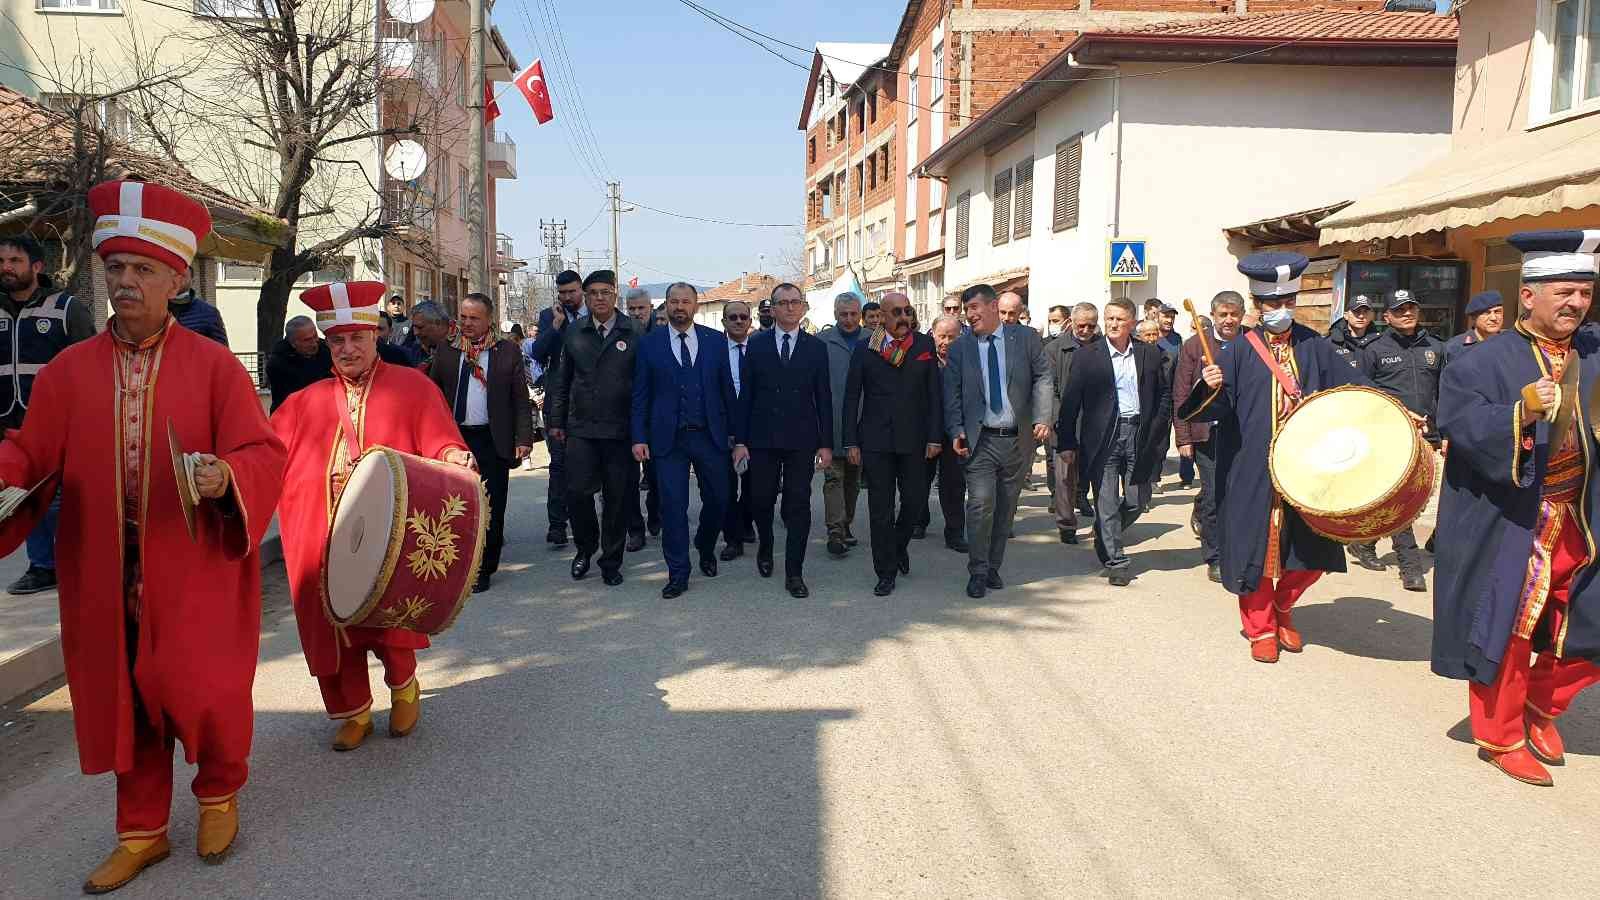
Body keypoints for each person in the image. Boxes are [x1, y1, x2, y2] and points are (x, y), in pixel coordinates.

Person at [0, 181, 285, 891]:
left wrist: (227, 476)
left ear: (176, 279)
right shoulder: (69, 371)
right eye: (116, 269)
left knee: (206, 690)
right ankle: (142, 831)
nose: (126, 282)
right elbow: (29, 457)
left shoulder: (216, 367)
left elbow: (262, 454)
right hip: (101, 567)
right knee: (124, 699)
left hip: (194, 566)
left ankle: (218, 794)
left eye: (142, 271)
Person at [273, 280, 473, 756]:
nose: (346, 349)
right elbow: (262, 454)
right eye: (336, 341)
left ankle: (403, 686)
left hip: (388, 533)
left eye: (356, 339)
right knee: (332, 627)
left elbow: (441, 439)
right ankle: (352, 711)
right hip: (322, 533)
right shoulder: (304, 402)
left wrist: (453, 456)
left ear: (373, 336)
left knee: (389, 621)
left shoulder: (412, 387)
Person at [1434, 229, 1600, 788]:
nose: (1577, 303)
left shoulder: (1594, 351)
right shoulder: (1482, 361)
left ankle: (1542, 705)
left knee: (1590, 623)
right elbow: (1457, 423)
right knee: (1507, 628)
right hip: (1512, 517)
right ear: (1528, 296)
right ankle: (1502, 733)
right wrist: (1519, 412)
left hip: (1582, 515)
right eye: (1564, 292)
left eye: (1584, 292)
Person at [1178, 252, 1364, 664]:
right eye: (1273, 305)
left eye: (1288, 303)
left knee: (1312, 549)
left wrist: (1395, 410)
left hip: (1308, 466)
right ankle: (1261, 627)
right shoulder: (1239, 351)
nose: (1281, 311)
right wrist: (1209, 387)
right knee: (1256, 551)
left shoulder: (1315, 346)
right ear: (1257, 306)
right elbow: (1212, 407)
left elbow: (1353, 388)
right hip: (1252, 467)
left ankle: (1284, 606)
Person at [942, 284, 1052, 599]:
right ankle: (977, 571)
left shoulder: (1026, 339)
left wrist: (1043, 417)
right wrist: (956, 430)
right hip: (980, 441)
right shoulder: (961, 348)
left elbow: (1044, 376)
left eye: (975, 307)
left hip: (1017, 440)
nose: (970, 314)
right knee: (979, 506)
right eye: (966, 309)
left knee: (1005, 508)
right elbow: (951, 394)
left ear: (993, 307)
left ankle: (993, 567)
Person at [0, 233, 95, 596]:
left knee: (64, 498)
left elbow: (90, 366)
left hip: (60, 424)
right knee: (24, 497)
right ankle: (42, 566)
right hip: (9, 426)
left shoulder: (66, 309)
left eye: (15, 261)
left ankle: (80, 559)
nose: (7, 268)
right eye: (2, 262)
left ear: (37, 267)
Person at [631, 282, 738, 598]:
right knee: (673, 507)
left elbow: (728, 392)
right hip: (667, 440)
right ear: (665, 305)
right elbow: (640, 395)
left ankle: (705, 544)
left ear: (695, 305)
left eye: (686, 301)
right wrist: (638, 436)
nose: (680, 306)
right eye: (674, 301)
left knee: (719, 499)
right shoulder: (649, 345)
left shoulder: (717, 341)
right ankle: (678, 572)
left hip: (710, 436)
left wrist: (738, 436)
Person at [1056, 298, 1170, 586]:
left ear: (1132, 322)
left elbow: (1164, 395)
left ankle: (1105, 531)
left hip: (1137, 434)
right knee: (1105, 501)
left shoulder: (1149, 354)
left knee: (1136, 500)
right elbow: (1070, 402)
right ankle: (1116, 560)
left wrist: (1157, 430)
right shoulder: (1087, 356)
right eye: (1109, 319)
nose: (1113, 324)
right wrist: (1066, 442)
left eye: (1120, 319)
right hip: (1103, 437)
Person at [428, 293, 535, 592]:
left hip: (492, 440)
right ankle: (457, 562)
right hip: (455, 440)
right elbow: (433, 396)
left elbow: (520, 399)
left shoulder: (505, 352)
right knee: (454, 505)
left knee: (491, 506)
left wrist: (523, 438)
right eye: (463, 317)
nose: (467, 323)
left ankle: (485, 567)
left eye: (474, 318)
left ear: (489, 319)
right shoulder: (448, 351)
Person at [842, 292, 942, 596]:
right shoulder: (866, 349)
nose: (903, 317)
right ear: (881, 318)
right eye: (896, 312)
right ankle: (885, 571)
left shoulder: (924, 345)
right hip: (876, 440)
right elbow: (851, 397)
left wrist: (935, 436)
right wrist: (850, 441)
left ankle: (898, 546)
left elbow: (934, 395)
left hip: (915, 439)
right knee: (879, 510)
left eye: (907, 311)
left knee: (913, 502)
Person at [738, 283, 833, 598]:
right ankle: (766, 545)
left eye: (795, 302)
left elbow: (824, 397)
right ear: (772, 309)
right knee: (761, 500)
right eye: (783, 303)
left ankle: (794, 572)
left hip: (801, 439)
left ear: (803, 308)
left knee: (798, 505)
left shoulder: (816, 348)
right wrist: (740, 440)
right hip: (762, 437)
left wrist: (826, 443)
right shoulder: (757, 344)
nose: (790, 308)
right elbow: (747, 395)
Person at [547, 270, 641, 585]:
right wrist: (557, 422)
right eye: (593, 293)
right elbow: (561, 382)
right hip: (582, 429)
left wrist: (643, 430)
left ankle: (611, 561)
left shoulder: (635, 331)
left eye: (605, 292)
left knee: (617, 499)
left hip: (620, 430)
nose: (599, 298)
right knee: (577, 493)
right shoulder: (574, 332)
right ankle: (585, 549)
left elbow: (645, 386)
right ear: (586, 298)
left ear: (615, 295)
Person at [1349, 289, 1443, 589]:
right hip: (1389, 433)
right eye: (1399, 309)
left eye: (1411, 308)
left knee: (1409, 495)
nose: (1407, 313)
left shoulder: (1436, 347)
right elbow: (1361, 393)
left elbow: (1442, 394)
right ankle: (1410, 566)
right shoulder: (1374, 349)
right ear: (1387, 316)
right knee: (1403, 497)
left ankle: (1365, 541)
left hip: (1426, 435)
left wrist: (1442, 434)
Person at [1174, 291, 1244, 583]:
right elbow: (1181, 392)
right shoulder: (1194, 345)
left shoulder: (1251, 342)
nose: (1229, 320)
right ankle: (1214, 556)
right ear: (1213, 315)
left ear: (1242, 314)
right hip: (1207, 434)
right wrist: (1184, 438)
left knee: (1239, 493)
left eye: (1234, 314)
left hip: (1241, 432)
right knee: (1215, 493)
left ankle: (1236, 548)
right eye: (1223, 314)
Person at [528, 270, 586, 547]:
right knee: (559, 465)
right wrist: (556, 326)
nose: (567, 297)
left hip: (589, 401)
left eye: (572, 292)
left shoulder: (596, 315)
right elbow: (537, 353)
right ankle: (557, 525)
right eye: (562, 293)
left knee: (587, 466)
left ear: (581, 290)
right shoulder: (548, 316)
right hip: (557, 402)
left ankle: (585, 522)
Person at [817, 292, 868, 556]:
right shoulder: (821, 341)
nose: (848, 319)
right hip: (832, 421)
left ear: (860, 314)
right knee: (833, 477)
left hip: (863, 421)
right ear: (835, 315)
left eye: (853, 314)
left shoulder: (874, 339)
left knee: (853, 479)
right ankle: (835, 531)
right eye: (843, 314)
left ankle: (845, 524)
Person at [1043, 303, 1093, 544]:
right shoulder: (1055, 349)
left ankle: (1098, 517)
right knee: (1064, 477)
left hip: (1094, 422)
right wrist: (1055, 419)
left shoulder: (1102, 347)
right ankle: (1066, 524)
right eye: (1080, 325)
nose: (1085, 330)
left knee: (1095, 474)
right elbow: (1049, 388)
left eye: (1090, 326)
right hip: (1064, 422)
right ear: (1071, 323)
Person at [719, 300, 758, 561]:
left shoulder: (761, 350)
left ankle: (745, 521)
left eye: (743, 317)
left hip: (756, 431)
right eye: (732, 317)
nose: (738, 321)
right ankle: (732, 538)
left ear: (750, 321)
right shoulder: (714, 351)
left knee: (755, 488)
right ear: (724, 322)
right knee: (725, 489)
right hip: (722, 429)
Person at [927, 314, 968, 551]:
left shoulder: (966, 360)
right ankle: (919, 521)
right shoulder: (921, 359)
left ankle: (954, 532)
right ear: (932, 334)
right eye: (942, 336)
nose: (946, 342)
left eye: (952, 337)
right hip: (925, 431)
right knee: (919, 481)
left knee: (953, 484)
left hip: (955, 431)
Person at [265, 315, 334, 412]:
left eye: (315, 336)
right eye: (307, 340)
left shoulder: (327, 349)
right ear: (293, 343)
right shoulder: (277, 364)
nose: (314, 343)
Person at [168, 268, 229, 346]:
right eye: (175, 276)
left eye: (183, 276)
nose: (178, 280)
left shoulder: (208, 313)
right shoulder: (155, 309)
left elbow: (222, 351)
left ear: (192, 281)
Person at [1443, 290, 1505, 366]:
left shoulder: (1511, 344)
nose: (1493, 318)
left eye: (1497, 312)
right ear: (1473, 317)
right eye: (1486, 313)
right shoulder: (1456, 347)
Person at [1328, 294, 1382, 371]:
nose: (1361, 316)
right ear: (1346, 315)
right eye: (1356, 311)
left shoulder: (1380, 342)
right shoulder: (1330, 343)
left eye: (1366, 312)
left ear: (1372, 316)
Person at [404, 300, 453, 370]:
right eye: (414, 327)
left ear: (438, 323)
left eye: (420, 327)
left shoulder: (464, 348)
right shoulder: (417, 349)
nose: (415, 333)